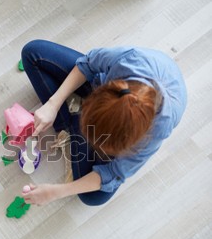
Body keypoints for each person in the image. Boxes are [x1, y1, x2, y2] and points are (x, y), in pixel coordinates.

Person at [20, 40, 187, 206]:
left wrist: (55, 192)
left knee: (93, 197)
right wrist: (53, 104)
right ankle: (68, 126)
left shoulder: (156, 131)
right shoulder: (129, 60)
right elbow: (88, 64)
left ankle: (72, 126)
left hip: (134, 128)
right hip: (112, 85)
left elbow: (114, 172)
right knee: (32, 52)